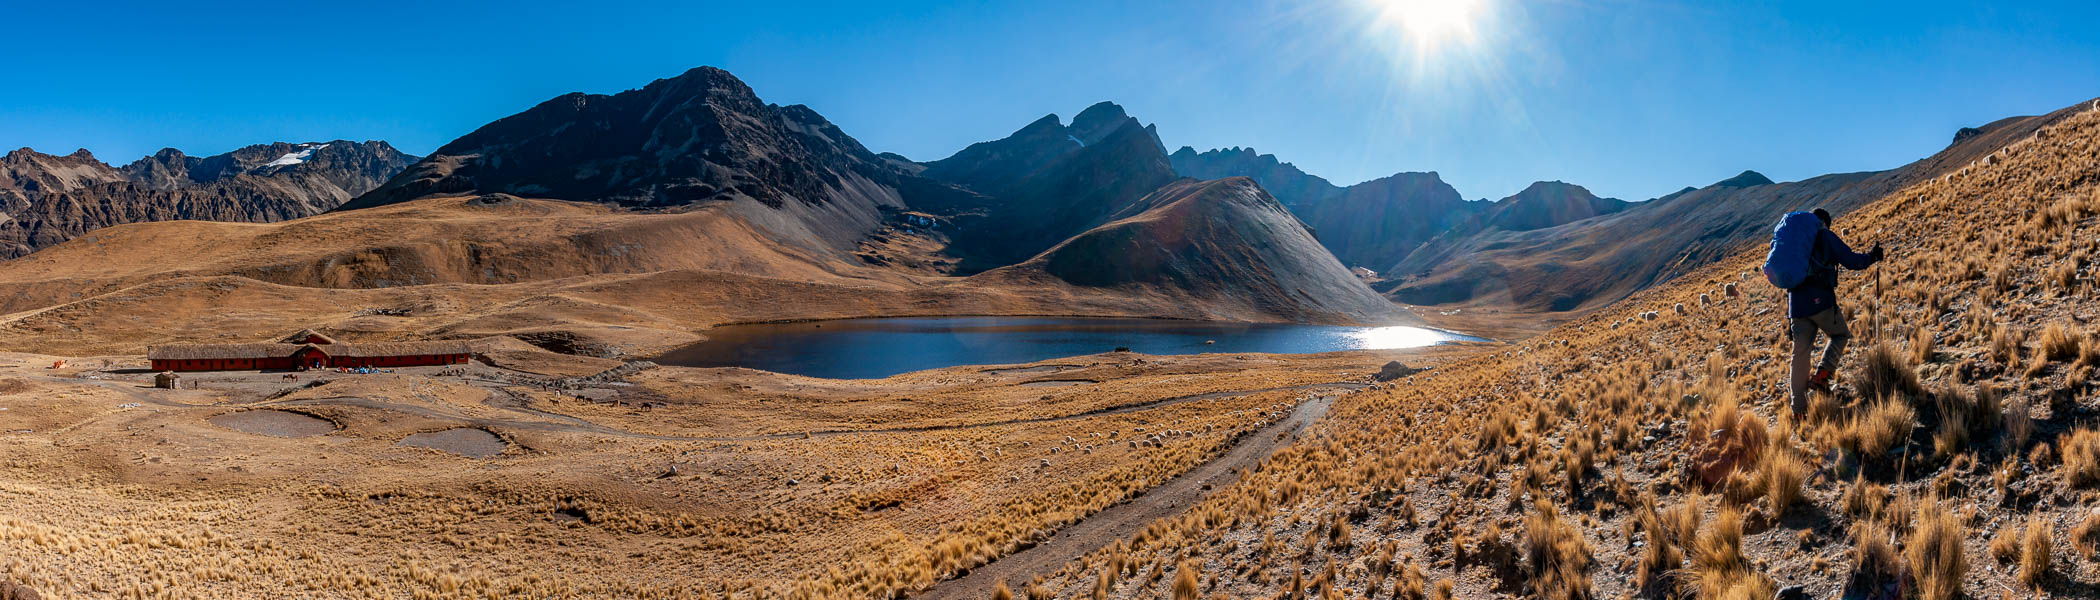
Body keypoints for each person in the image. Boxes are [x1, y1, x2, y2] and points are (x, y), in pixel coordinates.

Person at [1787, 208, 1885, 415]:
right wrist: (1872, 257)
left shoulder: (1795, 243)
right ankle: (1822, 375)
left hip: (1795, 307)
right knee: (1840, 334)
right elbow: (1850, 260)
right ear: (1825, 222)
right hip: (1820, 301)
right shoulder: (1824, 236)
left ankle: (1798, 411)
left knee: (1800, 356)